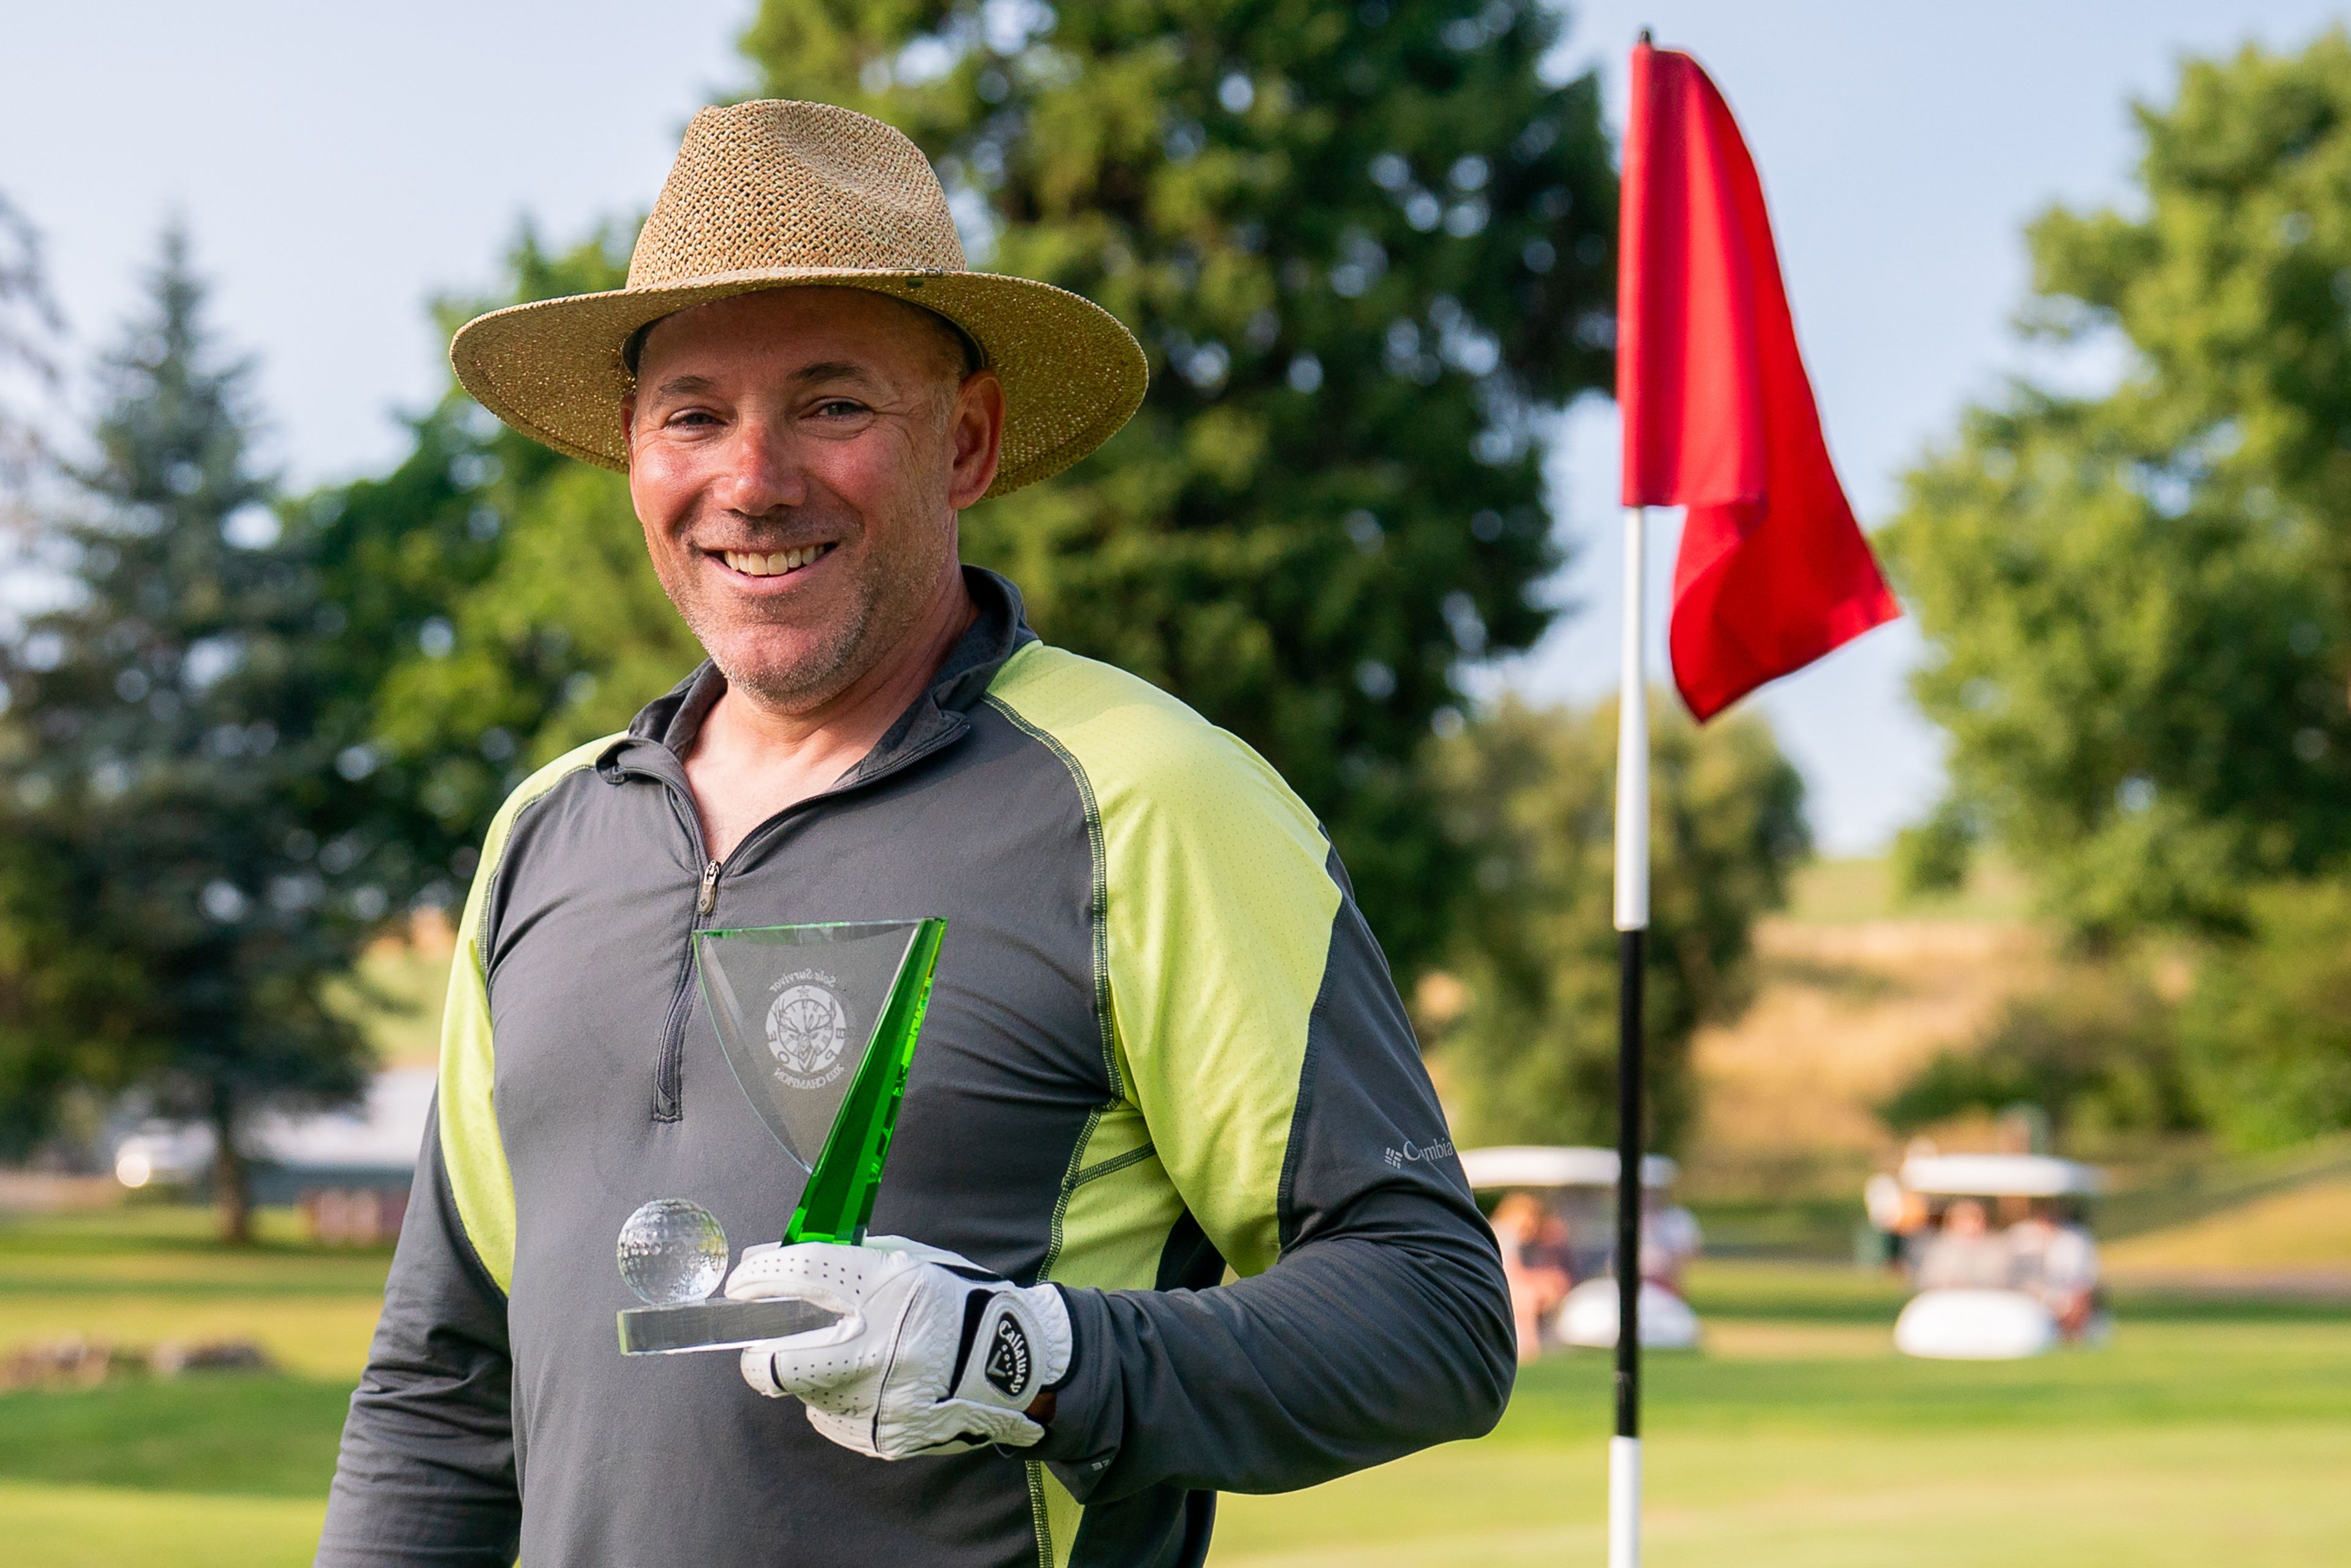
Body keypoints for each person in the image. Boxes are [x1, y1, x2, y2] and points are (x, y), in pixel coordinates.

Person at [314, 101, 1512, 1568]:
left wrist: (1029, 1353)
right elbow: (443, 1387)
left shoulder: (1146, 793)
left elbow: (1432, 1312)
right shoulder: (546, 832)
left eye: (830, 404)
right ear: (633, 452)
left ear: (969, 440)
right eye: (692, 411)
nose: (750, 479)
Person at [1491, 1192, 1572, 1360]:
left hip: (1508, 1283)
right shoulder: (1504, 1235)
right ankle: (1529, 1347)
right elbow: (1511, 1272)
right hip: (1501, 1285)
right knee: (1528, 1298)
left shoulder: (1520, 1238)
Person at [1914, 1198, 2009, 1291]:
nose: (1974, 1226)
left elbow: (2002, 1280)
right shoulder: (1942, 1250)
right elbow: (1929, 1280)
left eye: (1977, 1220)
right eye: (1967, 1220)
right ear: (1955, 1222)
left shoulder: (1995, 1248)